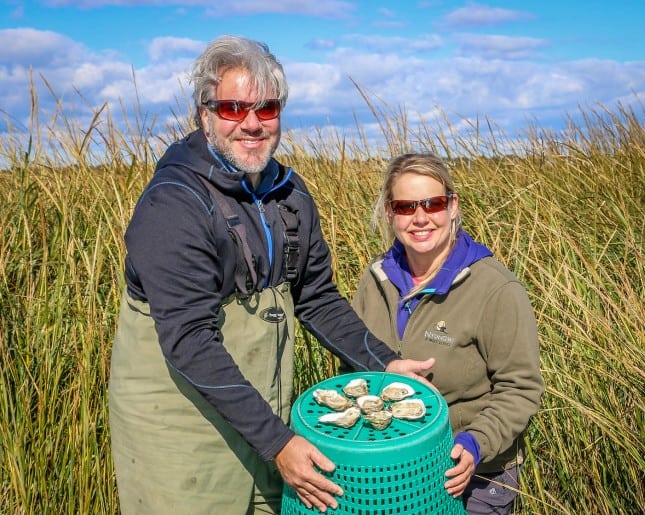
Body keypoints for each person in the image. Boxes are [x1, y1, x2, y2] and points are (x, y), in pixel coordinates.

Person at [108, 36, 434, 515]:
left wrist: (382, 363)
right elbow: (190, 342)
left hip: (265, 423)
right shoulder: (173, 203)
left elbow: (316, 298)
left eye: (267, 107)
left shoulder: (290, 194)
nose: (252, 123)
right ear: (204, 114)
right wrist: (280, 444)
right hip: (180, 437)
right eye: (233, 106)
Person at [351, 153, 544, 514]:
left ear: (452, 207)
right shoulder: (373, 279)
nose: (420, 218)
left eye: (433, 203)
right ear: (390, 213)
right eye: (406, 207)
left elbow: (521, 387)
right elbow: (354, 368)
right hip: (388, 471)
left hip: (472, 477)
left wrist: (475, 443)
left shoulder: (495, 288)